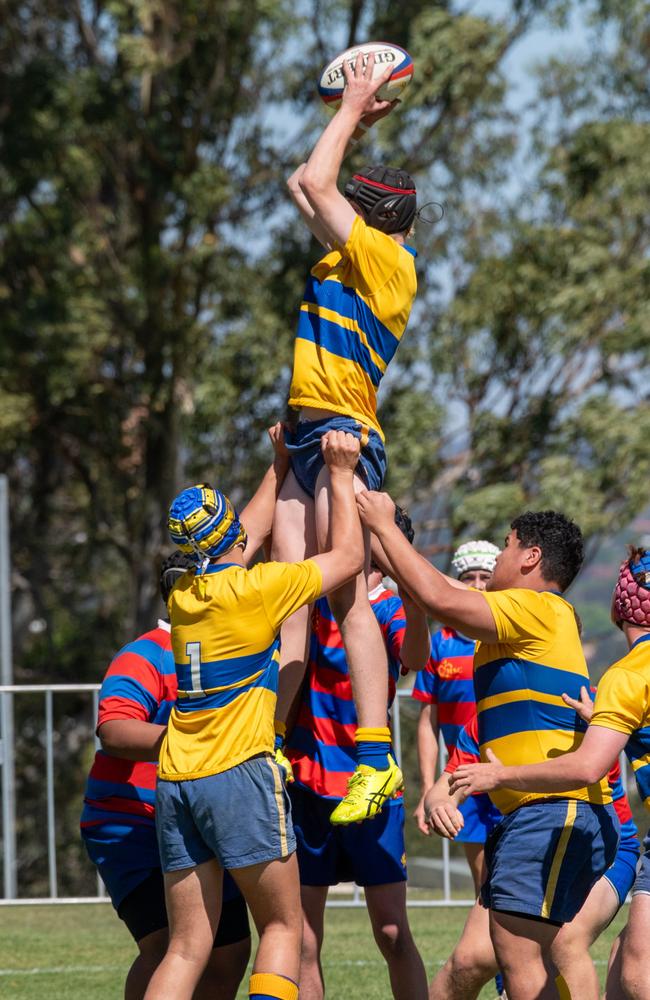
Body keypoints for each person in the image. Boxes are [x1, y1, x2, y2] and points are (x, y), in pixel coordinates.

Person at [354, 498, 619, 1000]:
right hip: (535, 814)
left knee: (521, 956)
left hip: (551, 811)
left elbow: (439, 596)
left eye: (506, 545)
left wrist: (381, 526)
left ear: (530, 558)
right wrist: (386, 548)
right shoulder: (535, 615)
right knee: (504, 953)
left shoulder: (539, 608)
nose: (498, 557)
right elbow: (441, 589)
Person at [145, 431, 365, 1000]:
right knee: (283, 927)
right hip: (239, 771)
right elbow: (347, 559)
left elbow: (242, 530)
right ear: (232, 535)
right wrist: (339, 473)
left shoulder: (183, 596)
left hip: (175, 779)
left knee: (186, 946)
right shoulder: (259, 589)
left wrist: (279, 464)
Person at [272, 51, 419, 824]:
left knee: (347, 592)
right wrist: (352, 118)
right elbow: (307, 181)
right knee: (290, 591)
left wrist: (355, 103)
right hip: (304, 433)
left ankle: (375, 754)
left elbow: (322, 186)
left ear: (378, 219)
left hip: (346, 437)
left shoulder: (389, 265)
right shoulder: (345, 256)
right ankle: (269, 737)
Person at [450, 546, 650, 1000]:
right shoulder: (582, 702)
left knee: (601, 958)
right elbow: (452, 773)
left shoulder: (623, 679)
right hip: (583, 833)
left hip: (604, 834)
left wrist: (500, 777)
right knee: (624, 966)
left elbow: (586, 766)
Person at [80, 553, 250, 1000]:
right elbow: (114, 728)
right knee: (166, 946)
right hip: (130, 821)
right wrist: (194, 739)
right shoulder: (147, 653)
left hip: (198, 821)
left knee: (230, 950)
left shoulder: (225, 651)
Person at [284, 508, 430, 1000]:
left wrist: (417, 603)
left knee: (391, 933)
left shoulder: (385, 608)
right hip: (306, 785)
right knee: (302, 939)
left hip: (373, 789)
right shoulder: (312, 598)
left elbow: (413, 660)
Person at [426, 713, 639, 1000]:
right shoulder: (488, 718)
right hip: (524, 838)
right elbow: (446, 785)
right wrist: (439, 805)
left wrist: (502, 775)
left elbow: (582, 770)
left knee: (564, 942)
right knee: (468, 961)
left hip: (601, 844)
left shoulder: (582, 706)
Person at [412, 540, 501, 892]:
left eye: (485, 577)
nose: (477, 585)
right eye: (469, 577)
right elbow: (426, 723)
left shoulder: (502, 636)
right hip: (462, 780)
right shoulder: (439, 644)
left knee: (516, 881)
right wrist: (426, 790)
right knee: (486, 886)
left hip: (508, 773)